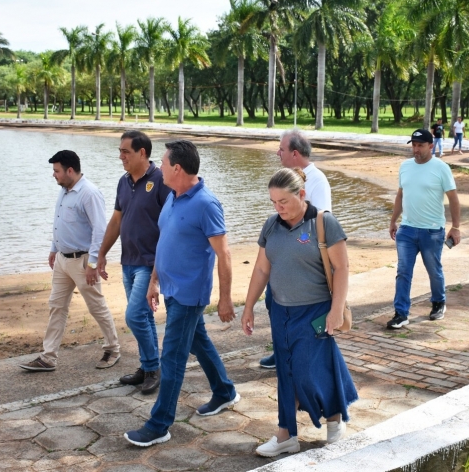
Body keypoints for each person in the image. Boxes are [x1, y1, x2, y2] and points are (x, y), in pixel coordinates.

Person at [124, 140, 240, 447]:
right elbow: (165, 243)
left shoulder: (207, 204)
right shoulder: (173, 198)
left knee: (172, 357)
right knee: (198, 343)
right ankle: (225, 391)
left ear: (177, 168)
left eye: (162, 163)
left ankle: (159, 424)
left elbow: (224, 254)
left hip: (190, 294)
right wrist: (153, 282)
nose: (158, 168)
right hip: (170, 288)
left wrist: (225, 299)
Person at [241, 168, 357, 457]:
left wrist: (336, 310)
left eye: (284, 202)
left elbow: (341, 268)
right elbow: (261, 269)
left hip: (316, 310)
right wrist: (249, 306)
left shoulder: (323, 223)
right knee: (286, 372)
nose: (278, 208)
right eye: (273, 202)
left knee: (309, 370)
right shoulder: (271, 226)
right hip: (280, 311)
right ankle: (286, 435)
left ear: (301, 195)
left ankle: (334, 419)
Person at [20, 150, 120, 372]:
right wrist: (54, 249)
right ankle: (48, 357)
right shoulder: (65, 190)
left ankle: (113, 348)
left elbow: (100, 230)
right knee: (56, 306)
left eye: (56, 171)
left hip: (83, 262)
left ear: (70, 170)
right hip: (62, 261)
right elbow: (60, 222)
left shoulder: (89, 193)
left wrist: (93, 263)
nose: (53, 175)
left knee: (96, 306)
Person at [97, 131, 170, 394]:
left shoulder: (161, 180)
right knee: (144, 317)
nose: (120, 156)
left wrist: (160, 269)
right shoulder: (123, 182)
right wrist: (102, 253)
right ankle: (148, 366)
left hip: (149, 263)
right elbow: (116, 220)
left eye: (125, 151)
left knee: (135, 315)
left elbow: (171, 224)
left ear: (142, 153)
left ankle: (153, 368)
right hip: (127, 261)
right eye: (119, 151)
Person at [260, 129, 332, 370]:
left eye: (281, 149)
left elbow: (321, 219)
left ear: (295, 153)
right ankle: (282, 349)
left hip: (304, 262)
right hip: (283, 260)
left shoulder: (317, 179)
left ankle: (306, 354)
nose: (278, 153)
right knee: (275, 303)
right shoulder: (286, 178)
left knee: (306, 314)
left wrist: (296, 241)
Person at [387, 129, 461, 329]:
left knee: (433, 271)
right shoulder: (405, 167)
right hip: (407, 230)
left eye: (420, 145)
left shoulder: (441, 168)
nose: (416, 149)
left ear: (431, 146)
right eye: (413, 145)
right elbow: (400, 195)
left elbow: (453, 198)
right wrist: (394, 220)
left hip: (432, 232)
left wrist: (455, 227)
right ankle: (401, 313)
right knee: (403, 271)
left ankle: (438, 302)